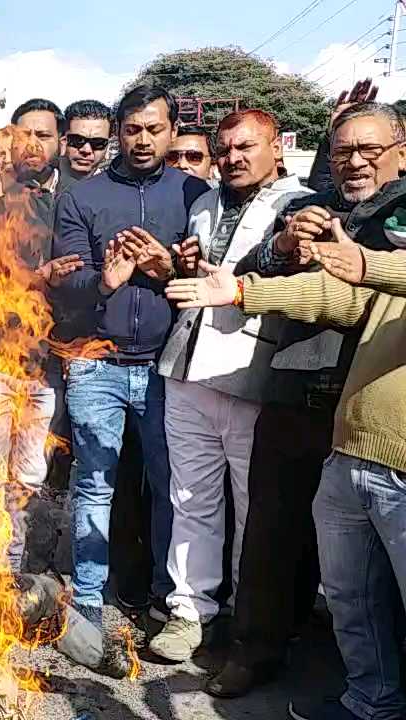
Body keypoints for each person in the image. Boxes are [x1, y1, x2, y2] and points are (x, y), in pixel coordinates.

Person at [200, 102, 406, 698]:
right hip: (294, 386)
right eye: (343, 151)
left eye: (370, 150)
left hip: (371, 402)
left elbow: (359, 290)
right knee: (271, 528)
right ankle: (257, 647)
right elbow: (255, 267)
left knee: (369, 557)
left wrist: (360, 261)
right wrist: (282, 250)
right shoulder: (304, 207)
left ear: (400, 151)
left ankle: (361, 673)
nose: (356, 163)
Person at [166, 225, 406, 720]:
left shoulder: (388, 260)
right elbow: (337, 297)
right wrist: (242, 291)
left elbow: (374, 271)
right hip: (355, 452)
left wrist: (368, 263)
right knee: (353, 601)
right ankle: (372, 703)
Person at [148, 109, 312, 664]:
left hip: (250, 375)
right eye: (226, 148)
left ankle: (248, 617)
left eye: (247, 147)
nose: (233, 157)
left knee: (252, 506)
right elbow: (196, 279)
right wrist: (178, 264)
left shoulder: (298, 206)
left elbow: (275, 265)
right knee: (190, 498)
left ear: (276, 150)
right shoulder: (206, 203)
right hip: (186, 369)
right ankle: (190, 611)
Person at [52, 84, 210, 628]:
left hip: (171, 369)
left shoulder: (196, 195)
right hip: (98, 364)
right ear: (118, 131)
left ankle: (174, 604)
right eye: (134, 129)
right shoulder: (81, 197)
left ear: (172, 131)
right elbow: (64, 283)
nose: (143, 140)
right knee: (96, 484)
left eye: (155, 129)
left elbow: (212, 278)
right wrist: (104, 281)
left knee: (176, 489)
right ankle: (90, 602)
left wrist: (174, 273)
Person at [0, 127, 83, 570]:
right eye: (10, 148)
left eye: (41, 139)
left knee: (28, 477)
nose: (21, 153)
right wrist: (38, 275)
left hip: (44, 367)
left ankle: (10, 564)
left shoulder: (73, 203)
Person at [11, 98, 65, 193]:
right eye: (23, 136)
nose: (31, 145)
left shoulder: (80, 192)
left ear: (62, 144)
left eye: (43, 136)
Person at [62, 100, 113, 190]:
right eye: (77, 140)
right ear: (62, 141)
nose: (86, 150)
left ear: (108, 148)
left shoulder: (113, 192)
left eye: (98, 143)